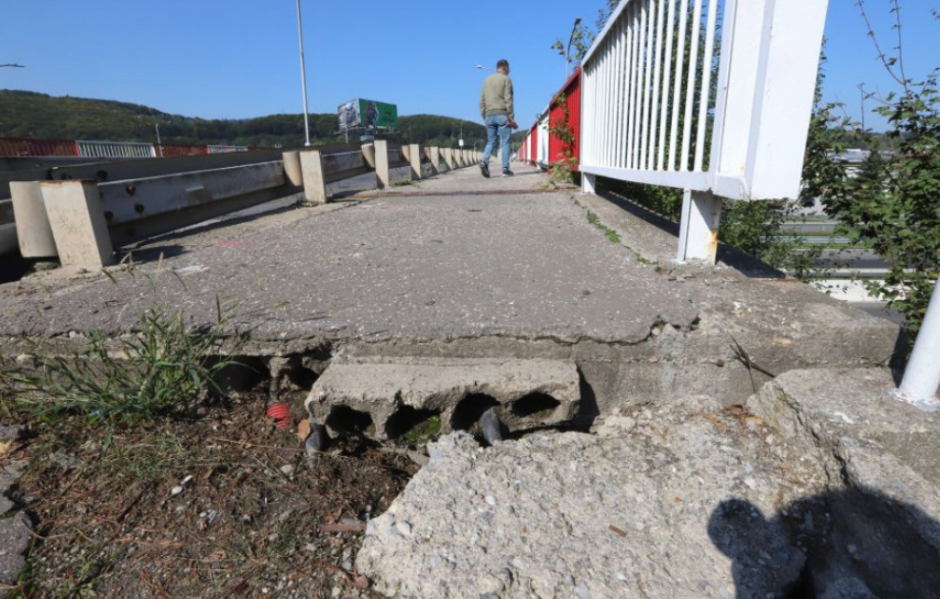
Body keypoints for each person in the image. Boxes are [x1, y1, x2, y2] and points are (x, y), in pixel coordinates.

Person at [479, 59, 518, 178]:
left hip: (489, 115)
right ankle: (505, 170)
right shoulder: (506, 79)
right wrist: (511, 116)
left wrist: (484, 116)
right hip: (502, 114)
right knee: (505, 142)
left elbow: (482, 100)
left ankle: (484, 160)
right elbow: (508, 99)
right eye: (509, 69)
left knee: (491, 141)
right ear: (505, 67)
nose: (509, 71)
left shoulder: (486, 80)